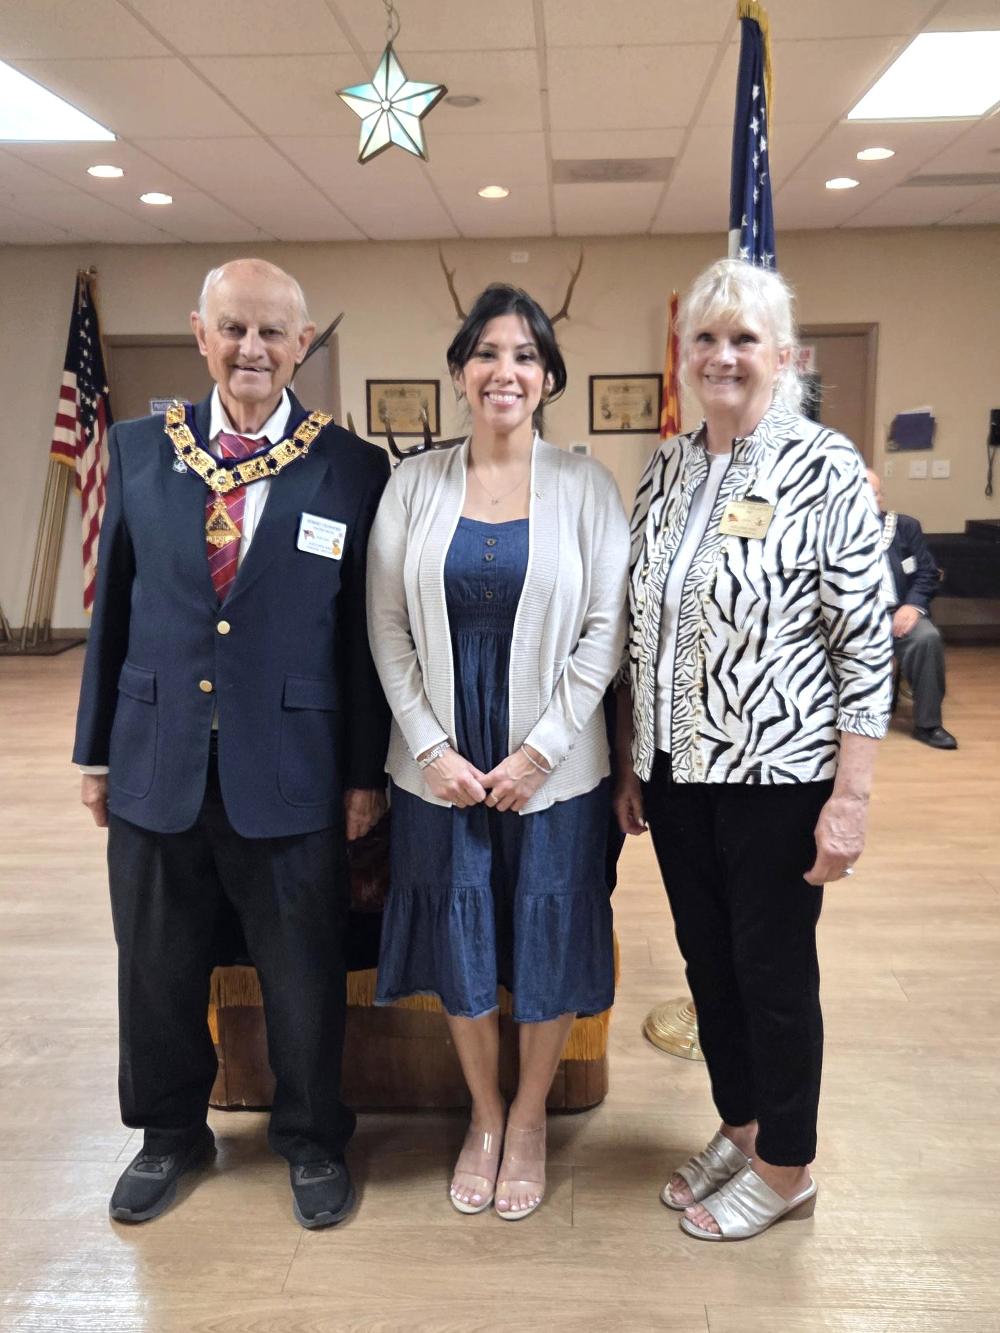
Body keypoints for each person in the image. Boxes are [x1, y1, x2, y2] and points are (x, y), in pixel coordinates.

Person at [73, 258, 390, 1229]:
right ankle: (169, 1132)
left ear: (302, 344)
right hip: (156, 754)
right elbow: (113, 611)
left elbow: (359, 639)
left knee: (301, 970)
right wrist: (94, 752)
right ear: (201, 334)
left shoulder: (350, 466)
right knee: (155, 965)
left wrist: (363, 773)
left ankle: (312, 1137)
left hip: (292, 765)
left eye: (272, 332)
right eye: (234, 328)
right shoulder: (138, 450)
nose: (252, 349)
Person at [614, 258, 892, 1241]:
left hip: (777, 773)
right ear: (682, 353)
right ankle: (741, 1125)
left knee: (771, 972)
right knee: (708, 964)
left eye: (743, 339)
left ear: (784, 355)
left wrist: (850, 798)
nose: (722, 356)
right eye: (705, 337)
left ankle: (787, 1165)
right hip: (675, 772)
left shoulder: (823, 466)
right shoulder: (668, 466)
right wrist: (631, 757)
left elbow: (863, 644)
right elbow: (639, 623)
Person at [367, 284, 629, 1221]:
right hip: (438, 768)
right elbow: (387, 626)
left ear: (549, 376)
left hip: (555, 769)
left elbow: (605, 631)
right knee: (462, 929)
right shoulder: (413, 484)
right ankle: (483, 1112)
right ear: (460, 370)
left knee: (548, 932)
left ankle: (529, 1118)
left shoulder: (589, 488)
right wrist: (430, 748)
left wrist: (539, 754)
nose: (504, 371)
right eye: (486, 352)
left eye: (524, 355)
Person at [867, 470, 957, 750]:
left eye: (874, 493)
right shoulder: (826, 529)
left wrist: (913, 605)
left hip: (897, 611)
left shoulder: (904, 527)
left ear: (882, 497)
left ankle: (928, 724)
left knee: (926, 638)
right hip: (848, 617)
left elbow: (927, 573)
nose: (869, 499)